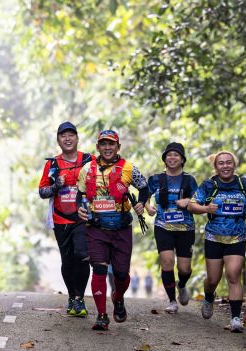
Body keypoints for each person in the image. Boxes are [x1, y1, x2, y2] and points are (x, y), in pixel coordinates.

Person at [77, 129, 149, 331]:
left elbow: (144, 187)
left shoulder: (128, 168)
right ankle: (102, 315)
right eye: (103, 144)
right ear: (97, 147)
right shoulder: (87, 169)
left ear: (118, 146)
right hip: (96, 228)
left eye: (111, 144)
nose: (107, 148)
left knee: (121, 274)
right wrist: (80, 208)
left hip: (121, 229)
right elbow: (80, 194)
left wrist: (141, 203)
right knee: (99, 269)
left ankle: (118, 297)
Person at [188, 150, 246, 332]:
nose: (225, 166)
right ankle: (209, 296)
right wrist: (206, 209)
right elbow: (191, 205)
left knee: (233, 275)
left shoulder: (244, 184)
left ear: (234, 165)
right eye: (221, 163)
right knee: (213, 279)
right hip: (213, 237)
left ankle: (236, 318)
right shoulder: (209, 185)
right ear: (216, 166)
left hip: (237, 236)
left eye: (228, 162)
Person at [39, 122, 93, 317]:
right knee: (67, 260)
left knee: (82, 255)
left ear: (77, 138)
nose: (67, 139)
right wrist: (56, 186)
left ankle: (79, 298)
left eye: (71, 135)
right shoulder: (52, 164)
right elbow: (42, 192)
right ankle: (71, 296)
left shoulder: (89, 160)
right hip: (60, 219)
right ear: (58, 140)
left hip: (83, 218)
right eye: (63, 136)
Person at [146, 142, 198, 313]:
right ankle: (172, 301)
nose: (172, 158)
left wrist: (188, 201)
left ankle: (181, 285)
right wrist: (148, 207)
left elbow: (199, 200)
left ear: (182, 159)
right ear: (164, 159)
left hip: (186, 228)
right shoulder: (156, 179)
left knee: (184, 268)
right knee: (167, 261)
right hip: (163, 226)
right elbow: (145, 196)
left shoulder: (189, 180)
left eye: (176, 155)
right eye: (169, 155)